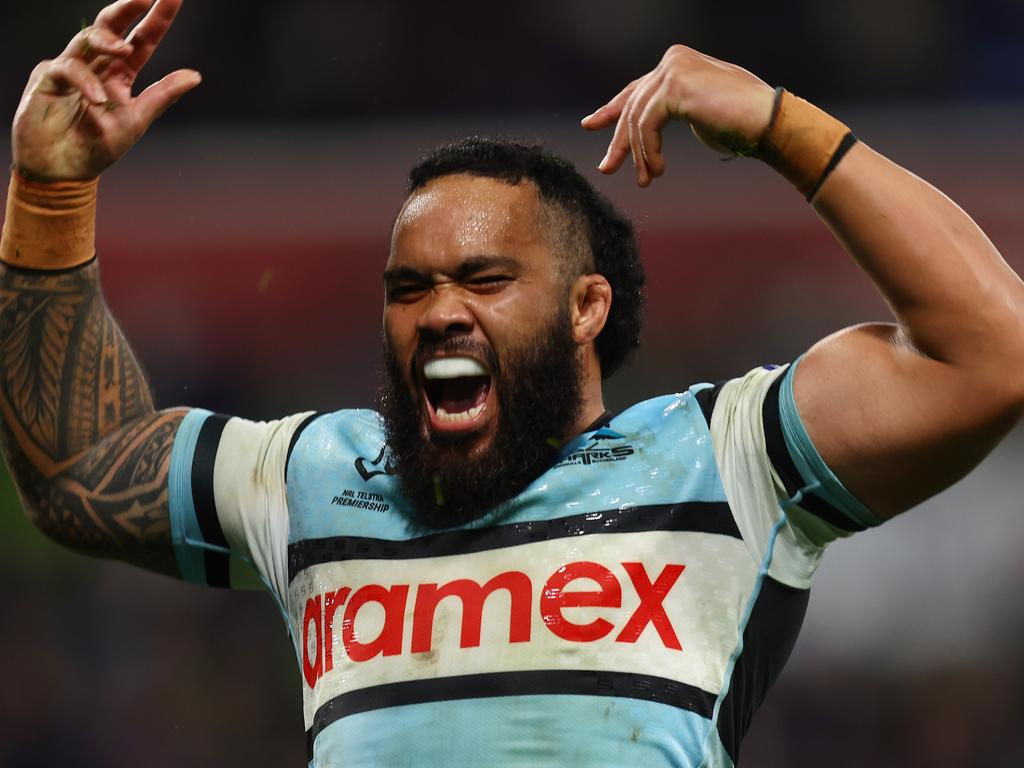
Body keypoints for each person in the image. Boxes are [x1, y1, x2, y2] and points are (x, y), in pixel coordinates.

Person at [2, 0, 1022, 765]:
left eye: (485, 279)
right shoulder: (312, 474)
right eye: (411, 287)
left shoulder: (725, 458)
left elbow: (991, 352)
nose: (442, 309)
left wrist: (779, 125)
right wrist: (49, 192)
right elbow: (81, 469)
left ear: (586, 308)